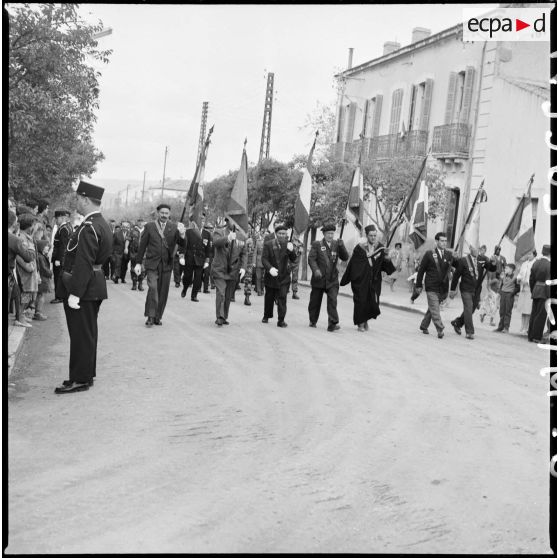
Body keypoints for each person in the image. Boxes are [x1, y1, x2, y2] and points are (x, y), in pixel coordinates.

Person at [54, 181, 113, 394]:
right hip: (93, 286)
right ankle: (85, 375)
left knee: (81, 334)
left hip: (84, 289)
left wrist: (75, 294)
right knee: (87, 333)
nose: (76, 202)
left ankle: (80, 378)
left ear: (86, 199)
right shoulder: (100, 223)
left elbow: (84, 263)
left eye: (78, 198)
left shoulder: (89, 227)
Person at [134, 204, 186, 327]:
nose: (164, 215)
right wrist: (138, 262)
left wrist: (183, 234)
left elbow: (182, 244)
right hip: (152, 264)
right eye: (162, 213)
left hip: (167, 264)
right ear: (158, 213)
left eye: (166, 213)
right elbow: (142, 246)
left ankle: (158, 316)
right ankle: (150, 316)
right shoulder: (150, 226)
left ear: (169, 214)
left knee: (163, 291)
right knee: (153, 288)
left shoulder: (174, 227)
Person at [340, 224, 395, 332]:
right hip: (361, 280)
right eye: (371, 236)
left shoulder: (380, 247)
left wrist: (387, 258)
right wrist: (357, 277)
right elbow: (354, 264)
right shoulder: (360, 248)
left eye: (375, 235)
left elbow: (383, 265)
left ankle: (366, 321)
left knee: (372, 302)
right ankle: (360, 323)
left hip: (374, 281)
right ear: (366, 235)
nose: (373, 238)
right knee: (361, 301)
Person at [449, 245, 497, 340]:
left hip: (477, 289)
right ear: (470, 249)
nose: (476, 250)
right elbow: (456, 275)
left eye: (477, 248)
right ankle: (470, 332)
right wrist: (453, 289)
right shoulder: (463, 260)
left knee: (471, 309)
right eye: (473, 248)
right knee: (468, 307)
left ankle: (457, 323)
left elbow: (491, 268)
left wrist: (493, 263)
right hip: (466, 288)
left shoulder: (482, 259)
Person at [307, 223, 349, 331]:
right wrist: (316, 270)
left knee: (333, 300)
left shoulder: (337, 244)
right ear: (324, 234)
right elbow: (311, 259)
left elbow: (345, 257)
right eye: (328, 233)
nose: (331, 235)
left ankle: (333, 323)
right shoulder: (317, 244)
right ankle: (313, 320)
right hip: (319, 278)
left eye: (332, 233)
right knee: (315, 302)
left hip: (332, 279)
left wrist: (342, 246)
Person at [414, 232, 455, 338]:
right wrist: (418, 285)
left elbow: (458, 266)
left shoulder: (449, 255)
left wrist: (457, 258)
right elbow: (421, 271)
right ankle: (440, 328)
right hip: (431, 286)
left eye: (446, 241)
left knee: (432, 307)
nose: (444, 243)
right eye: (442, 241)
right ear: (437, 241)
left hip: (443, 288)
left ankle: (424, 325)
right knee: (435, 309)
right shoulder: (429, 254)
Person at [211, 221, 247, 326]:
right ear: (227, 220)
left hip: (233, 270)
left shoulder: (242, 236)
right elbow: (216, 243)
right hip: (220, 269)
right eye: (232, 219)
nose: (235, 222)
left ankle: (224, 316)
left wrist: (243, 268)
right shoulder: (219, 232)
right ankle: (220, 317)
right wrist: (227, 238)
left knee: (228, 296)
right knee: (221, 293)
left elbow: (244, 253)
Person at [261, 224, 297, 327]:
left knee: (282, 298)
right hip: (271, 276)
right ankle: (266, 316)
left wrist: (291, 251)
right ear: (276, 234)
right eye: (280, 233)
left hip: (284, 277)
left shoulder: (288, 245)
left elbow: (294, 259)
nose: (282, 235)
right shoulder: (268, 244)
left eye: (284, 234)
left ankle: (281, 320)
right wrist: (270, 268)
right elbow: (264, 259)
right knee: (269, 297)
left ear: (287, 235)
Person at [8, 209, 35, 328]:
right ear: (14, 223)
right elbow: (28, 257)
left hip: (13, 273)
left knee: (18, 294)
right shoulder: (15, 239)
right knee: (17, 295)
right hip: (14, 273)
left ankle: (20, 317)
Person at [16, 213, 39, 321]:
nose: (34, 227)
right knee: (24, 295)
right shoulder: (21, 237)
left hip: (30, 272)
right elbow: (18, 256)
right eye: (33, 224)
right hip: (25, 272)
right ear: (29, 226)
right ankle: (20, 318)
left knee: (27, 295)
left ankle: (22, 316)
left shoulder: (27, 237)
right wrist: (27, 267)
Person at [179, 221, 209, 302]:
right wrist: (182, 256)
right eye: (200, 220)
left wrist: (207, 260)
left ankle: (194, 295)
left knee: (198, 278)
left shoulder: (207, 233)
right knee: (187, 277)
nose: (201, 222)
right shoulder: (188, 232)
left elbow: (209, 248)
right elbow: (183, 244)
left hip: (200, 259)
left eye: (203, 221)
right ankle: (185, 288)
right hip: (190, 257)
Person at [528, 244, 551, 343]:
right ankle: (536, 336)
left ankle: (530, 335)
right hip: (545, 291)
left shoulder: (536, 262)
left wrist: (533, 289)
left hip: (536, 289)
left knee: (534, 313)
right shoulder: (549, 265)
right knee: (541, 315)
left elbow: (531, 279)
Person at [50, 209, 73, 303]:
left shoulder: (63, 229)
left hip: (59, 258)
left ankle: (59, 297)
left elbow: (63, 246)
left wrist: (59, 259)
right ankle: (61, 296)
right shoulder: (67, 227)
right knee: (60, 277)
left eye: (57, 218)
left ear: (62, 218)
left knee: (58, 278)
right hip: (64, 257)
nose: (56, 220)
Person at [516, 250, 537, 335]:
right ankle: (522, 326)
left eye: (530, 254)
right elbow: (520, 274)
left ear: (534, 255)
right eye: (528, 254)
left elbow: (534, 276)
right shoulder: (524, 264)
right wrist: (519, 278)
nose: (528, 256)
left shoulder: (535, 263)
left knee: (528, 309)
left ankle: (526, 327)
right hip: (523, 288)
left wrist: (527, 281)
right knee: (522, 308)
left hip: (530, 288)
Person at [494, 263, 518, 333]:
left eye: (506, 268)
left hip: (509, 295)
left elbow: (517, 287)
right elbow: (501, 285)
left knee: (507, 311)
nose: (505, 269)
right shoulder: (503, 276)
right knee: (502, 311)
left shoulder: (515, 277)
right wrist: (499, 292)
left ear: (511, 269)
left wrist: (512, 293)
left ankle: (506, 328)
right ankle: (500, 327)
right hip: (503, 294)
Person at [34, 239, 53, 321]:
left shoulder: (41, 255)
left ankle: (37, 312)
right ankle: (38, 313)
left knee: (39, 295)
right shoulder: (41, 257)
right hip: (43, 279)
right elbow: (44, 269)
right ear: (41, 247)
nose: (47, 247)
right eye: (46, 246)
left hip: (42, 278)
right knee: (41, 296)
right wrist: (50, 273)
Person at [128, 217, 146, 291]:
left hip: (144, 254)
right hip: (134, 253)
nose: (140, 223)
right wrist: (126, 248)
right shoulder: (132, 231)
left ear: (144, 223)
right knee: (133, 269)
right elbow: (128, 240)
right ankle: (134, 284)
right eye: (139, 221)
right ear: (137, 222)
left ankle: (140, 284)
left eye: (142, 222)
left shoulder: (146, 231)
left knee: (143, 269)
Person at [201, 218, 214, 293]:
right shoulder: (203, 234)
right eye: (209, 228)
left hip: (210, 256)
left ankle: (205, 288)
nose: (211, 230)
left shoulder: (212, 236)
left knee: (207, 273)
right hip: (203, 255)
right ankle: (199, 287)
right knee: (201, 272)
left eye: (211, 228)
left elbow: (213, 247)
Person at [253, 231, 265, 296]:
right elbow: (255, 252)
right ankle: (259, 291)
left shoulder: (267, 242)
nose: (263, 235)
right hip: (259, 261)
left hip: (265, 261)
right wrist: (254, 262)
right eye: (263, 233)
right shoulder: (258, 242)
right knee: (258, 277)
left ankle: (262, 289)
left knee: (263, 277)